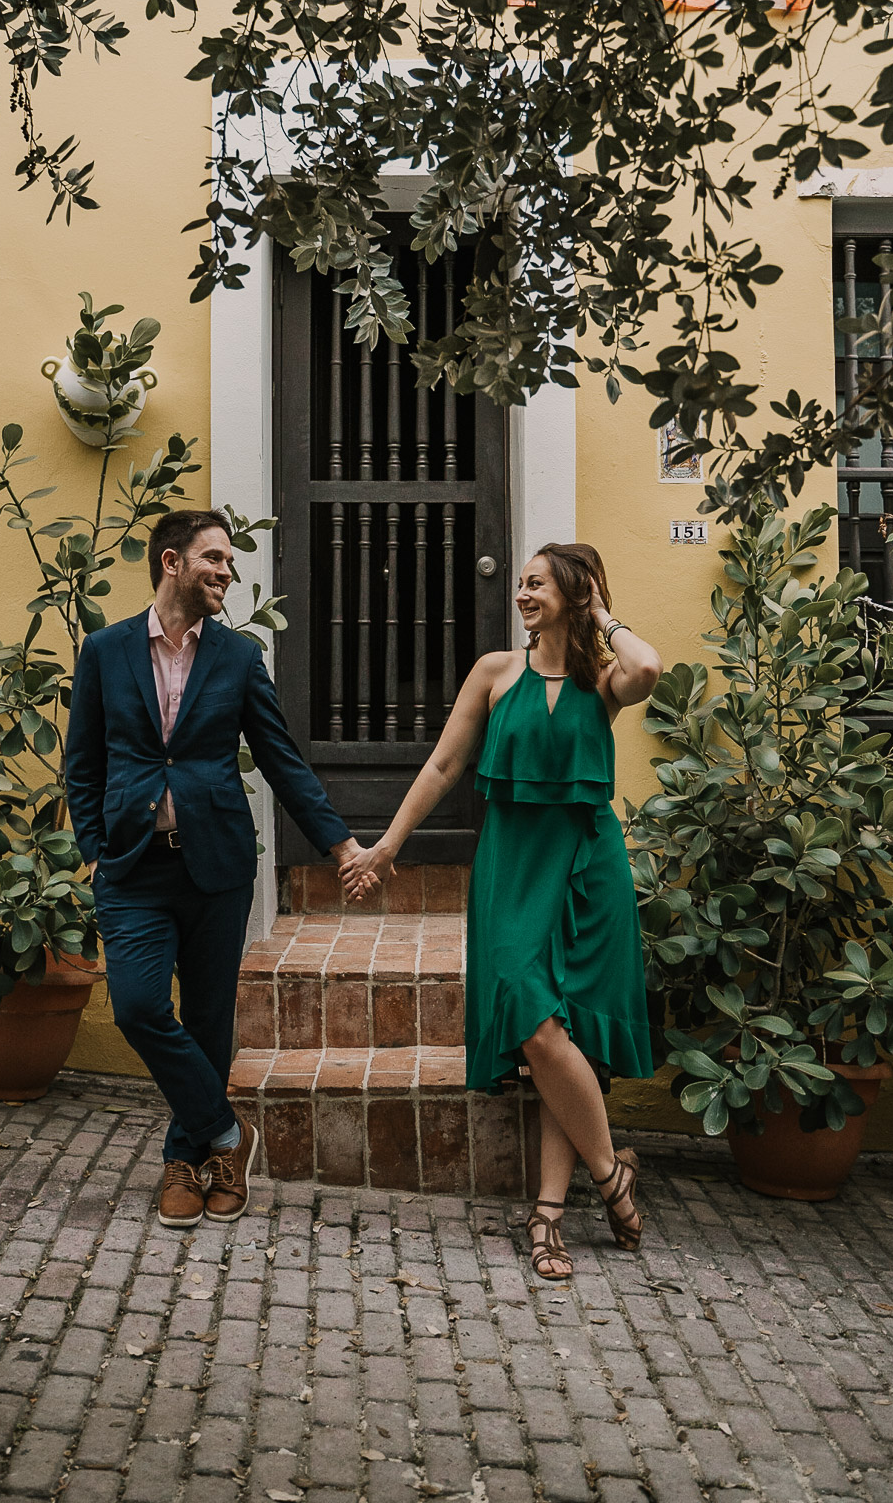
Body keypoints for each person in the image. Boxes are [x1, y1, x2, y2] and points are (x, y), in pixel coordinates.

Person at [341, 543, 662, 1279]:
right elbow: (445, 765)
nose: (521, 594)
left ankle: (548, 1212)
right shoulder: (495, 672)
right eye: (520, 583)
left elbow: (647, 668)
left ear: (573, 594)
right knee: (533, 1017)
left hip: (588, 863)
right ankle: (612, 1174)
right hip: (514, 867)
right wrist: (388, 847)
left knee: (564, 1030)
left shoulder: (603, 679)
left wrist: (602, 616)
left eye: (537, 584)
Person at [66, 509, 361, 1231]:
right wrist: (95, 849)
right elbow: (83, 762)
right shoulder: (105, 651)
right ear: (171, 562)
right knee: (138, 1007)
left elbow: (281, 757)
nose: (227, 572)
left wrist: (340, 846)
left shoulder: (237, 656)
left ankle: (187, 1161)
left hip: (217, 867)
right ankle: (230, 1134)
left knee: (205, 1019)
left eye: (228, 562)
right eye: (215, 559)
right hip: (132, 869)